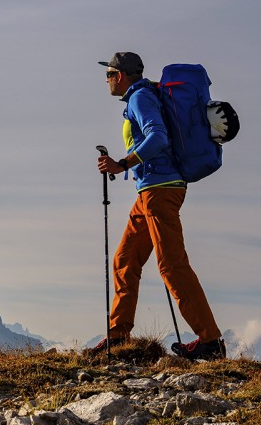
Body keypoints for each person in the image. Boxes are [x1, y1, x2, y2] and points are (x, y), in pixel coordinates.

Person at [88, 51, 226, 361]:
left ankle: (211, 341)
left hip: (161, 190)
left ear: (120, 75)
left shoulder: (140, 99)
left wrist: (123, 163)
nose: (107, 80)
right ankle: (119, 336)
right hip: (149, 192)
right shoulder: (141, 98)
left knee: (171, 265)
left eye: (109, 74)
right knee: (125, 259)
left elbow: (158, 137)